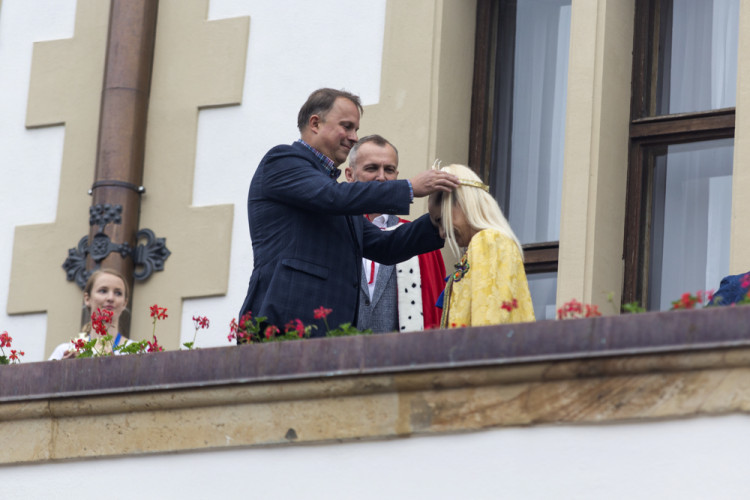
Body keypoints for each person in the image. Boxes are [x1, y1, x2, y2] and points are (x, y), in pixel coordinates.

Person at [238, 88, 459, 337]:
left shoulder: (338, 197)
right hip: (285, 325)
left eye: (356, 129)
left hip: (331, 334)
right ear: (315, 123)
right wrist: (409, 187)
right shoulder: (282, 161)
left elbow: (386, 246)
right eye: (347, 126)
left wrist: (437, 219)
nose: (354, 137)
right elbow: (331, 197)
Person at [344, 134, 446, 332]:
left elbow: (434, 310)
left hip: (400, 358)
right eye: (372, 168)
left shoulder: (419, 239)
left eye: (389, 170)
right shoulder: (335, 230)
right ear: (349, 175)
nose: (382, 177)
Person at [428, 164, 535, 327]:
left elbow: (488, 323)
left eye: (441, 220)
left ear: (462, 202)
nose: (442, 234)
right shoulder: (490, 242)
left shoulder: (489, 241)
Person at [49, 269, 135, 360]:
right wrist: (64, 369)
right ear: (87, 299)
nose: (110, 298)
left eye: (118, 293)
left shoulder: (138, 351)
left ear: (124, 303)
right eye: (103, 291)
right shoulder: (65, 351)